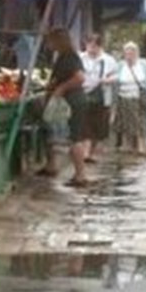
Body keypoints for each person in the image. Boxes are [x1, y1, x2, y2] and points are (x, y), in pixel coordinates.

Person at [46, 29, 89, 187]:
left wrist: (62, 88)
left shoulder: (70, 57)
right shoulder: (62, 57)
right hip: (70, 100)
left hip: (73, 101)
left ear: (58, 41)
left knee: (75, 138)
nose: (48, 44)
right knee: (72, 137)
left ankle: (80, 175)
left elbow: (80, 77)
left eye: (50, 40)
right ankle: (76, 173)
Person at [113, 42, 146, 154]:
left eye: (132, 52)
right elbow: (116, 81)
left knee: (140, 122)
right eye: (127, 52)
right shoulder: (120, 65)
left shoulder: (143, 64)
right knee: (125, 123)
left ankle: (141, 146)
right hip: (123, 97)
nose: (130, 55)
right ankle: (128, 145)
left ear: (137, 53)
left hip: (140, 98)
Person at [80, 34, 118, 164]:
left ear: (100, 46)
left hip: (102, 97)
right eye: (89, 45)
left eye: (94, 46)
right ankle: (85, 153)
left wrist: (106, 80)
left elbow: (116, 75)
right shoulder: (81, 58)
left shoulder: (108, 60)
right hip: (84, 95)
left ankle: (90, 153)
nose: (91, 48)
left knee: (98, 127)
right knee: (85, 125)